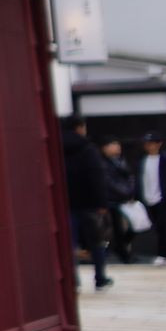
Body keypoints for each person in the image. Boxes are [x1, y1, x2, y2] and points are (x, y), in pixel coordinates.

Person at [64, 120, 119, 288]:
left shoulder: (57, 147)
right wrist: (102, 202)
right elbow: (97, 177)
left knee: (69, 243)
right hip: (89, 202)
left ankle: (73, 279)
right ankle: (100, 278)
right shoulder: (88, 149)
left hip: (66, 202)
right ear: (80, 128)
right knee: (96, 241)